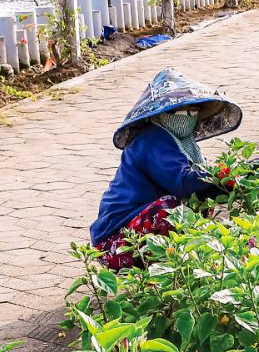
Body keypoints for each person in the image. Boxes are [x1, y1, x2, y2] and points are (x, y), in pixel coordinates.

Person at [91, 68, 243, 270]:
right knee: (171, 207)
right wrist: (224, 176)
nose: (187, 117)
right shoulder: (151, 140)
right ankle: (161, 270)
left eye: (192, 111)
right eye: (178, 111)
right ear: (161, 114)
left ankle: (181, 266)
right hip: (116, 242)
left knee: (201, 202)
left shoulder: (182, 142)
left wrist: (235, 178)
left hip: (134, 230)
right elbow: (182, 182)